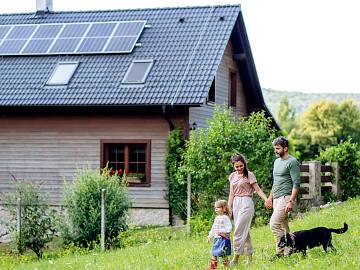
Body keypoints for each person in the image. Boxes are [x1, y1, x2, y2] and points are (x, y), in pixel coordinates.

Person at [227, 154, 268, 267]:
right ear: (233, 166)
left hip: (246, 202)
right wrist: (228, 208)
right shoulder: (232, 176)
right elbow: (231, 194)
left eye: (241, 166)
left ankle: (235, 258)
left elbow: (258, 190)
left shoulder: (249, 175)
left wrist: (267, 200)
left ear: (244, 164)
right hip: (235, 204)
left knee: (238, 232)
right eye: (237, 167)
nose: (239, 168)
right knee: (244, 232)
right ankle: (249, 259)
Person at [264, 136, 300, 259]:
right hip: (276, 198)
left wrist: (291, 201)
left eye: (278, 148)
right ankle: (290, 249)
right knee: (283, 226)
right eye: (275, 148)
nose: (276, 151)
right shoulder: (276, 162)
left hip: (286, 197)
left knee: (274, 224)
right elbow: (276, 182)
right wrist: (269, 198)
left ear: (285, 148)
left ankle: (280, 251)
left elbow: (296, 184)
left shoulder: (293, 161)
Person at [207, 199, 232, 269]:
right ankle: (212, 267)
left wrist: (223, 231)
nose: (216, 209)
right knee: (214, 253)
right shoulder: (217, 218)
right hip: (216, 239)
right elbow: (213, 228)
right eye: (215, 208)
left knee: (223, 254)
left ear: (224, 208)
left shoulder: (225, 218)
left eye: (218, 207)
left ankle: (226, 266)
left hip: (223, 239)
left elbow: (229, 227)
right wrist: (210, 236)